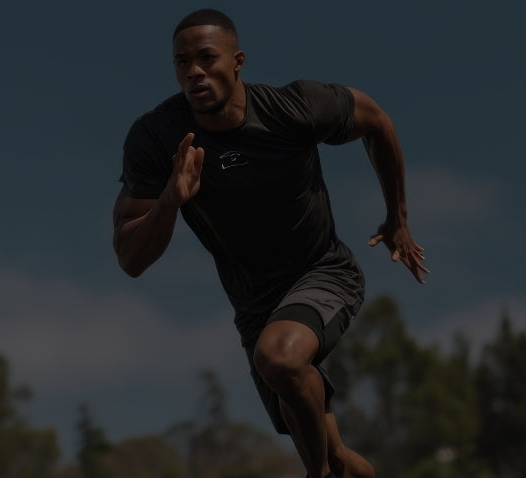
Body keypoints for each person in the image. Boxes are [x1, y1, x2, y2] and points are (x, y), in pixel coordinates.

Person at [110, 8, 427, 478]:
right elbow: (130, 258)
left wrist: (397, 218)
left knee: (279, 359)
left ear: (237, 61)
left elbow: (377, 120)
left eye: (206, 58)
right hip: (255, 307)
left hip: (324, 273)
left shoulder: (294, 108)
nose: (194, 72)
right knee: (339, 459)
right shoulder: (157, 138)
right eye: (182, 63)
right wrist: (169, 203)